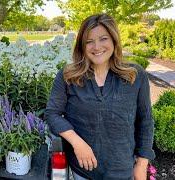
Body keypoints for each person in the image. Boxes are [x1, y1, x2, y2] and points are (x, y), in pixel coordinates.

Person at [45, 14, 155, 180]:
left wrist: (141, 164)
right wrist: (77, 142)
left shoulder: (135, 75)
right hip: (82, 172)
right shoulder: (68, 76)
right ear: (82, 45)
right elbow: (52, 114)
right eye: (89, 41)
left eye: (103, 38)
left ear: (114, 40)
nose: (96, 47)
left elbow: (145, 121)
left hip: (123, 171)